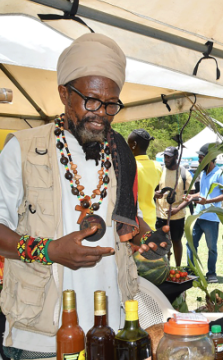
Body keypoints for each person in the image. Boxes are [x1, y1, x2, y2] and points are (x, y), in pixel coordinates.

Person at [0, 33, 167, 358]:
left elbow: (127, 224)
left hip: (113, 328)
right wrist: (48, 250)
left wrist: (147, 238)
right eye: (90, 100)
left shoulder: (120, 153)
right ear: (64, 93)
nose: (100, 113)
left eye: (110, 104)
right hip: (43, 336)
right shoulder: (21, 149)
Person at [185, 143, 223, 283]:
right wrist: (192, 196)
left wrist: (208, 202)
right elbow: (203, 192)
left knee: (212, 248)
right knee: (191, 244)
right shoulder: (203, 173)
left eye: (201, 158)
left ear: (209, 158)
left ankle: (211, 273)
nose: (198, 161)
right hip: (198, 215)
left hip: (211, 217)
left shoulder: (220, 173)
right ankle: (191, 270)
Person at [155, 146, 192, 267]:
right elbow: (154, 190)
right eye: (165, 157)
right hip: (161, 214)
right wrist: (156, 194)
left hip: (177, 216)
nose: (166, 159)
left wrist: (177, 209)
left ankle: (177, 267)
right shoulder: (159, 171)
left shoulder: (183, 173)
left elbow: (190, 196)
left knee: (176, 241)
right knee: (161, 242)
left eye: (169, 157)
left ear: (176, 157)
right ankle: (163, 268)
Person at [128, 128, 162, 230]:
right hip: (151, 219)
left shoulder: (130, 166)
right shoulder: (157, 166)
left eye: (127, 143)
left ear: (134, 144)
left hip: (136, 221)